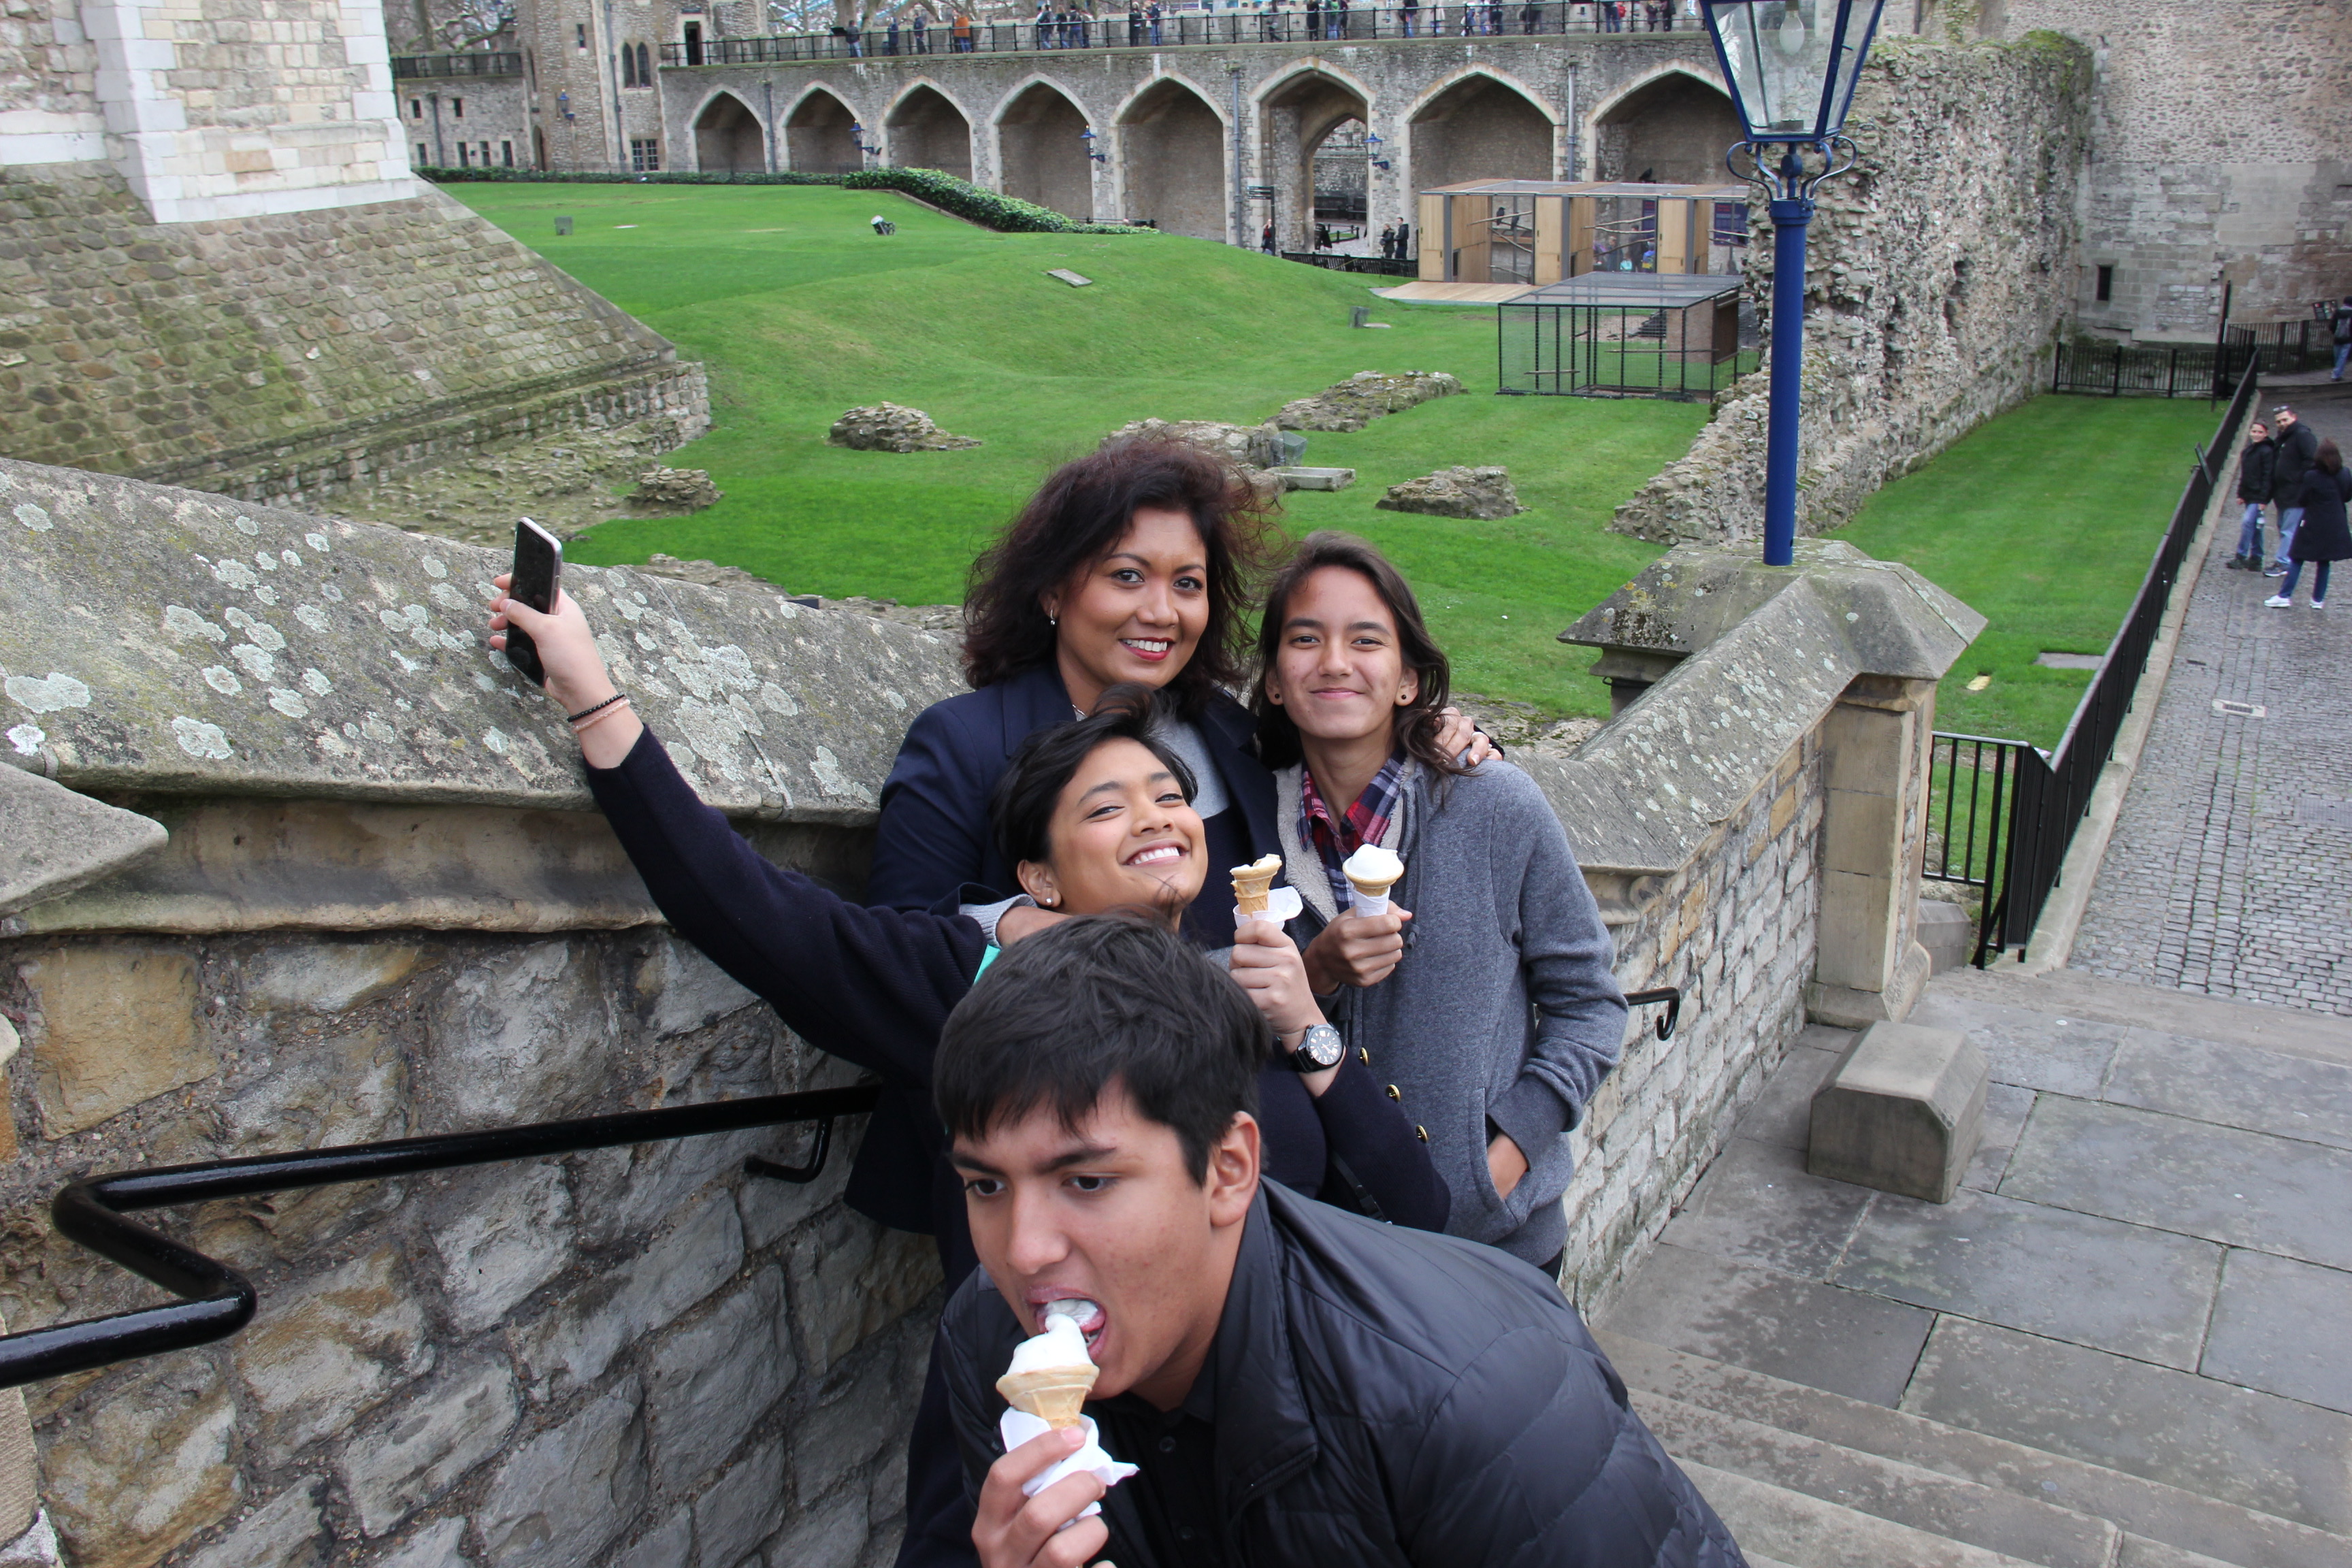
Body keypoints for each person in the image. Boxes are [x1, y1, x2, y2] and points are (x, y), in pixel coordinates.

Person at [936, 918, 1750, 1568]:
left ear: (1228, 1170)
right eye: (987, 1186)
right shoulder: (986, 1339)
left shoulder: (1479, 1399)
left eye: (1086, 1181)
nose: (1025, 1253)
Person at [1254, 532, 1627, 1270]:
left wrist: (1503, 1160)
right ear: (1272, 680)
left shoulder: (1496, 807)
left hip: (1491, 1246)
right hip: (1313, 1248)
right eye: (1305, 639)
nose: (1334, 662)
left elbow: (1590, 1004)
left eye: (1366, 640)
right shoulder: (1245, 824)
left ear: (1409, 682)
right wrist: (1315, 970)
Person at [2266, 438, 2351, 610]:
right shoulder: (2345, 473)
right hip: (2336, 522)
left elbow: (2303, 499)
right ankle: (2318, 599)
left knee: (2297, 557)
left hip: (2313, 521)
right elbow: (2347, 496)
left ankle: (2285, 595)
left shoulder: (2311, 476)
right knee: (2324, 561)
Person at [2267, 404, 2319, 574]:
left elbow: (2311, 460)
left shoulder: (2303, 435)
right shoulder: (2284, 438)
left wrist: (2297, 479)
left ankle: (2284, 562)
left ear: (2294, 417)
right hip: (2283, 492)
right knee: (2284, 527)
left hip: (2295, 493)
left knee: (2289, 529)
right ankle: (2288, 560)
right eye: (2279, 421)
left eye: (2285, 420)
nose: (2282, 424)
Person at [2230, 419, 2276, 570]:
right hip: (2250, 494)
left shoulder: (2267, 452)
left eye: (2260, 432)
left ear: (2266, 434)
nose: (2256, 434)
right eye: (2254, 431)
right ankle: (2256, 558)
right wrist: (2241, 493)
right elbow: (2245, 474)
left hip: (2258, 496)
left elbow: (2268, 476)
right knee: (2256, 527)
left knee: (2248, 523)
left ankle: (2241, 556)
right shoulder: (2249, 451)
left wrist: (2264, 499)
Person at [2334, 295, 2352, 382]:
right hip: (2348, 338)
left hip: (2337, 337)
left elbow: (2332, 324)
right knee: (2343, 357)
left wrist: (2335, 333)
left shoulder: (2337, 312)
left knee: (2337, 356)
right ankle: (2337, 374)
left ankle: (2337, 372)